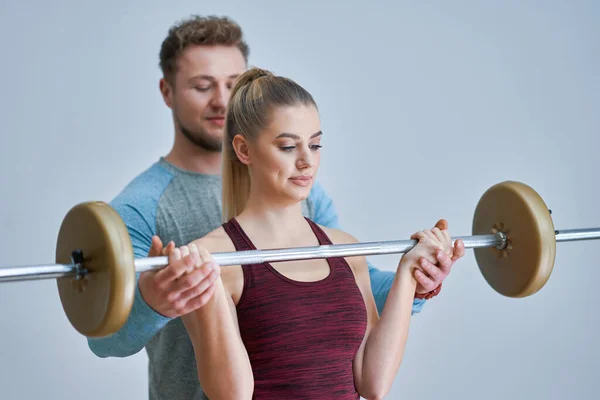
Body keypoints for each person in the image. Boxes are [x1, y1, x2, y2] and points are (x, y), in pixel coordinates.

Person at [86, 15, 465, 400]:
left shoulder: (308, 198)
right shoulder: (142, 207)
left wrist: (415, 281)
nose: (221, 100)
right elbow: (105, 340)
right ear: (167, 92)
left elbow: (343, 294)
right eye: (202, 86)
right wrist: (155, 303)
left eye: (233, 86)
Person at [170, 66, 456, 399]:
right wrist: (211, 282)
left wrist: (409, 273)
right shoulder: (211, 260)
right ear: (244, 150)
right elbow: (232, 395)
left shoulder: (345, 249)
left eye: (315, 145)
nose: (307, 161)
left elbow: (373, 383)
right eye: (288, 147)